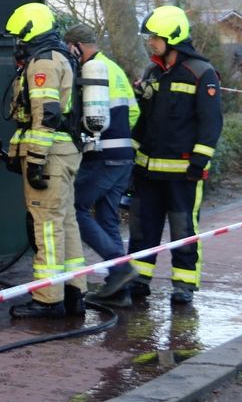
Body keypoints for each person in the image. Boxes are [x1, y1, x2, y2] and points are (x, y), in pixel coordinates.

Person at [128, 5, 223, 305]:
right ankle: (137, 280)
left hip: (184, 172)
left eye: (155, 37)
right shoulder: (153, 72)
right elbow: (145, 119)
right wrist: (132, 156)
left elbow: (211, 122)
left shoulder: (201, 72)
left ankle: (184, 285)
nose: (150, 42)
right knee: (143, 228)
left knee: (183, 229)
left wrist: (199, 162)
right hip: (148, 170)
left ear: (173, 37)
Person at [4, 3, 87, 319]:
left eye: (18, 37)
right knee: (66, 222)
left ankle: (48, 299)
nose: (16, 43)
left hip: (50, 155)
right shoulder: (59, 56)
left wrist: (35, 160)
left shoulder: (43, 64)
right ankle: (74, 292)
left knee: (47, 227)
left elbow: (46, 116)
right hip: (64, 152)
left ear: (29, 31)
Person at [62, 24, 140, 307]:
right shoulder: (115, 69)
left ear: (75, 47)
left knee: (74, 207)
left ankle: (120, 269)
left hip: (102, 157)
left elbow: (75, 116)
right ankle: (120, 291)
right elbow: (134, 111)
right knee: (107, 218)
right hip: (123, 155)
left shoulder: (88, 72)